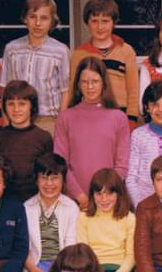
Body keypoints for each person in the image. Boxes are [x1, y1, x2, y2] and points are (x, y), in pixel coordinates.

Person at [54, 56, 130, 210]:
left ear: (104, 83)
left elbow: (122, 165)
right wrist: (80, 196)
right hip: (74, 202)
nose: (90, 87)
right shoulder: (65, 117)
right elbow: (60, 163)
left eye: (95, 81)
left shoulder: (119, 117)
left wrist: (104, 196)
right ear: (78, 85)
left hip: (109, 200)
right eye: (84, 82)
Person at [0, 0, 70, 134]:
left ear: (52, 21)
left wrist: (60, 123)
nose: (38, 23)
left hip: (48, 120)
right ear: (25, 18)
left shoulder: (60, 51)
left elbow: (65, 91)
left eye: (44, 18)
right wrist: (6, 120)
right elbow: (4, 87)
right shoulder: (12, 49)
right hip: (17, 119)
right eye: (32, 17)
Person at [68, 0, 139, 125]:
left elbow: (133, 89)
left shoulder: (126, 51)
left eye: (105, 21)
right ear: (87, 22)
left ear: (113, 22)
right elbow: (74, 90)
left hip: (120, 115)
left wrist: (132, 118)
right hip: (89, 116)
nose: (100, 27)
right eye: (94, 21)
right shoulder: (79, 54)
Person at [23, 153, 80, 272]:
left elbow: (70, 246)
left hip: (63, 266)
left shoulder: (71, 207)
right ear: (36, 180)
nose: (49, 184)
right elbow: (24, 248)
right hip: (35, 266)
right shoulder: (26, 208)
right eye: (44, 178)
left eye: (55, 178)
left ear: (63, 180)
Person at [0, 80, 53, 201]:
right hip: (5, 201)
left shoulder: (43, 137)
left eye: (22, 104)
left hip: (35, 200)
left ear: (32, 106)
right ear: (4, 107)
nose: (16, 109)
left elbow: (47, 174)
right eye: (11, 104)